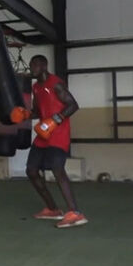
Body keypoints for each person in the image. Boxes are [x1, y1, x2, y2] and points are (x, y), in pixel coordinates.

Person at [27, 55, 86, 228]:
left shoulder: (56, 84)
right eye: (31, 66)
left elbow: (73, 105)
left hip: (58, 134)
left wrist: (56, 119)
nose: (32, 68)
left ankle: (75, 212)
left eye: (35, 65)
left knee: (57, 168)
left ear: (44, 66)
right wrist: (25, 114)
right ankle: (52, 209)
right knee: (31, 170)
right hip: (43, 134)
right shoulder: (36, 87)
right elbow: (37, 111)